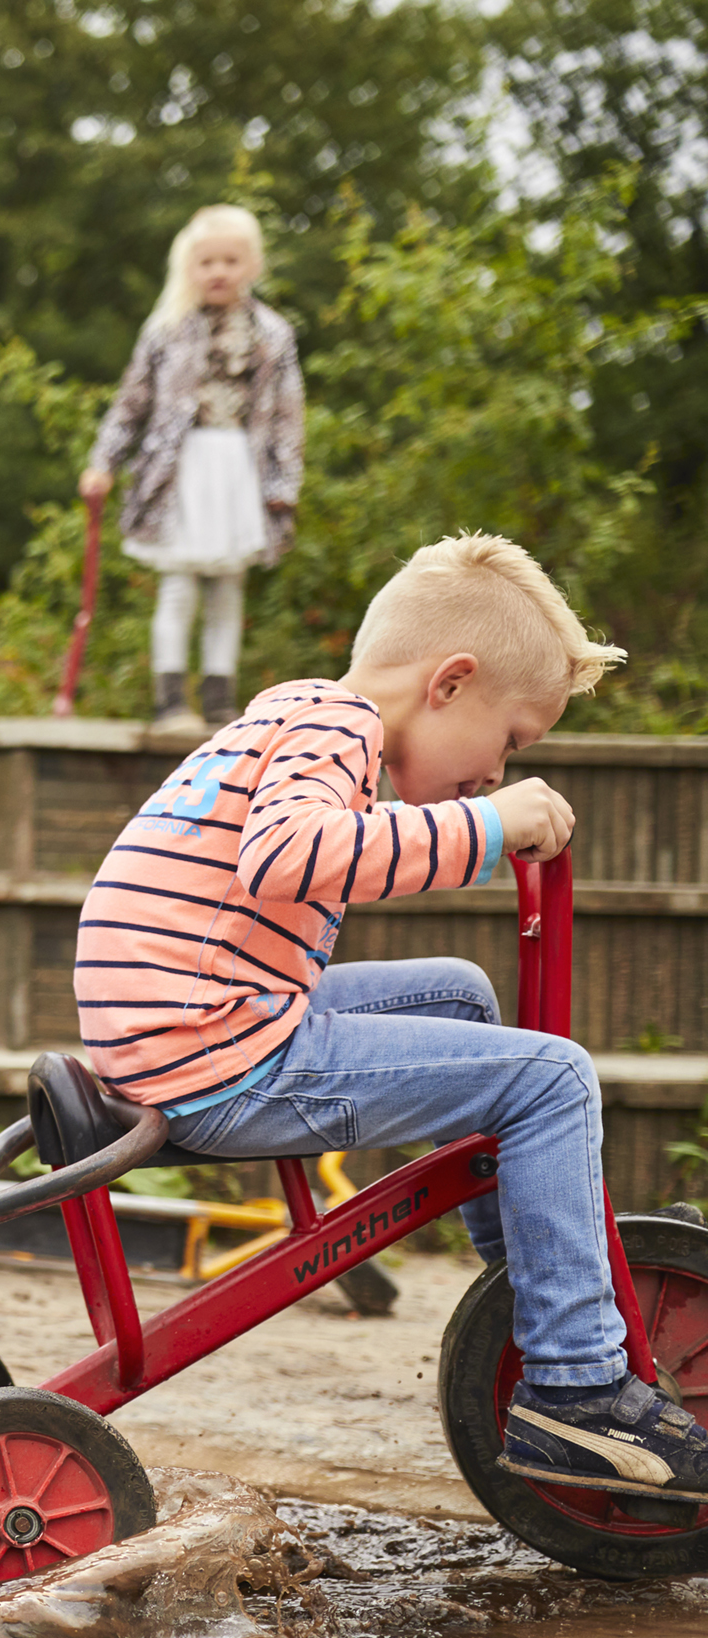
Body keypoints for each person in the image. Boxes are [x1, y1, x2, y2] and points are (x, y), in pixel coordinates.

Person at [77, 533, 706, 1496]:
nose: (497, 774)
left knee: (461, 995)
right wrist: (490, 830)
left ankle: (527, 1289)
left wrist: (477, 825)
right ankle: (577, 1390)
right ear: (449, 683)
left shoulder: (298, 713)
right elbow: (288, 857)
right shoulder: (338, 728)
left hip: (190, 1024)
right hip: (217, 1054)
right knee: (551, 1073)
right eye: (510, 744)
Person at [82, 203, 306, 728]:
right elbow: (131, 403)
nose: (219, 271)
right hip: (177, 474)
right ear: (189, 267)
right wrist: (103, 463)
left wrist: (285, 484)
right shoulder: (165, 330)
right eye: (207, 262)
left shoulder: (273, 335)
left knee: (228, 586)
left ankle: (221, 701)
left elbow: (288, 419)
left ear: (252, 265)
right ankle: (169, 700)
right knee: (178, 582)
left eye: (231, 260)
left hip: (238, 473)